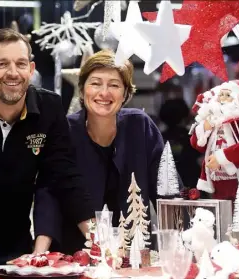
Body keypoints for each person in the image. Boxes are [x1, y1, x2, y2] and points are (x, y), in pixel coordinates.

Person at [0, 28, 94, 279]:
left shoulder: (50, 108)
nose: (13, 73)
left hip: (17, 251)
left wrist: (98, 238)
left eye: (20, 64)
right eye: (2, 64)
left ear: (31, 68)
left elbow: (65, 176)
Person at [59, 50, 183, 254]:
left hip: (136, 254)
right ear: (82, 90)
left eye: (114, 85)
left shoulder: (140, 125)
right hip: (77, 254)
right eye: (96, 83)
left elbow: (167, 189)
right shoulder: (66, 130)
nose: (104, 93)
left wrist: (179, 245)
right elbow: (52, 193)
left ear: (125, 93)